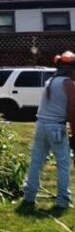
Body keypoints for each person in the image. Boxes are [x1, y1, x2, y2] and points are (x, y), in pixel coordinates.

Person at [22, 50, 75, 210]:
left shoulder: (50, 82)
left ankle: (29, 196)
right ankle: (62, 200)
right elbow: (72, 111)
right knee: (63, 164)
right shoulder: (69, 84)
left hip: (41, 125)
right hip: (56, 128)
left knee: (36, 162)